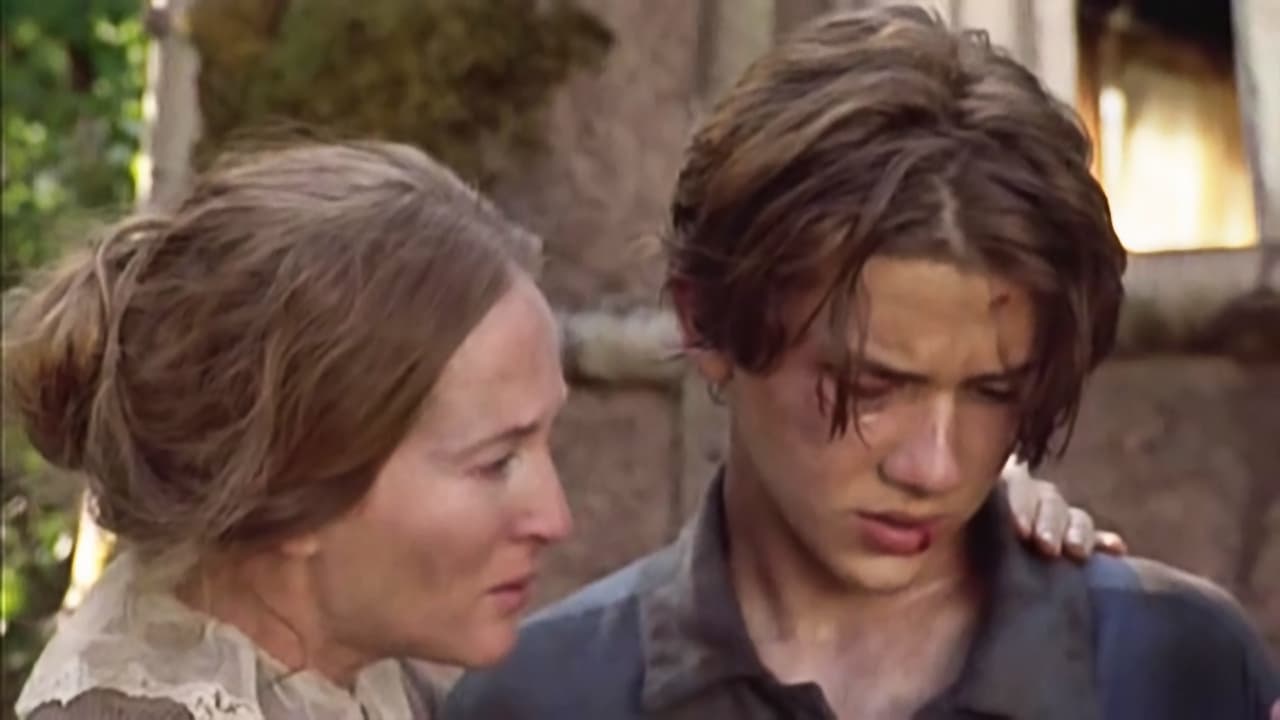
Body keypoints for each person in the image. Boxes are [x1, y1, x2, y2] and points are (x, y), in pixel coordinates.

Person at [4, 140, 1112, 719]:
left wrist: (970, 529)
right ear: (298, 482)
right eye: (496, 461)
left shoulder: (352, 688)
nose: (554, 514)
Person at [443, 6, 1280, 719]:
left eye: (993, 391)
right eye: (871, 387)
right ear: (707, 324)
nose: (935, 466)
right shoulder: (545, 696)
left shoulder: (1174, 668)